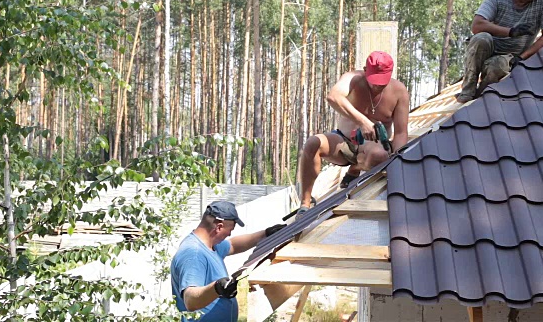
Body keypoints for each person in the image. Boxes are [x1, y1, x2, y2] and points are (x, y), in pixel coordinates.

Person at [296, 51, 409, 217]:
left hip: (372, 148)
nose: (377, 86)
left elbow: (400, 133)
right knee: (313, 143)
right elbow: (332, 97)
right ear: (365, 70)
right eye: (374, 82)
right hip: (344, 141)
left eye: (382, 82)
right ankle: (305, 203)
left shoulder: (399, 91)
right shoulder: (352, 79)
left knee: (379, 155)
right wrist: (363, 121)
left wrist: (398, 159)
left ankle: (356, 167)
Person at [455, 0, 543, 103]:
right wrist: (510, 32)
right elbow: (477, 25)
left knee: (497, 67)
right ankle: (468, 91)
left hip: (510, 57)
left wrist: (521, 58)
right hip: (488, 50)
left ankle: (481, 95)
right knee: (481, 38)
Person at [170, 201, 285, 322]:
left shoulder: (211, 245)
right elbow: (190, 300)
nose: (230, 233)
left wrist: (266, 234)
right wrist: (217, 288)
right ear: (219, 227)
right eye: (230, 229)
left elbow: (233, 244)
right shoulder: (194, 254)